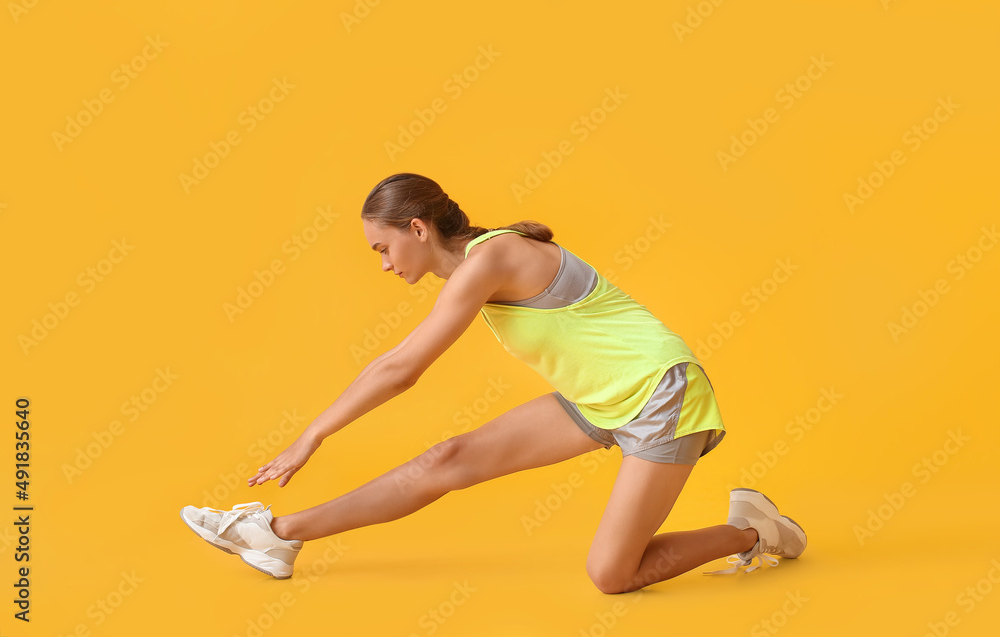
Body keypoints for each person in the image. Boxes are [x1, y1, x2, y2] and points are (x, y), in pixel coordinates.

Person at [180, 172, 806, 590]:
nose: (384, 264)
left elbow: (402, 369)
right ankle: (277, 534)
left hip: (660, 394)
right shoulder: (481, 263)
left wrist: (312, 436)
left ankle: (754, 530)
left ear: (417, 229)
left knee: (613, 575)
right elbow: (397, 363)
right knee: (447, 461)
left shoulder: (493, 259)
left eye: (382, 248)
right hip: (601, 397)